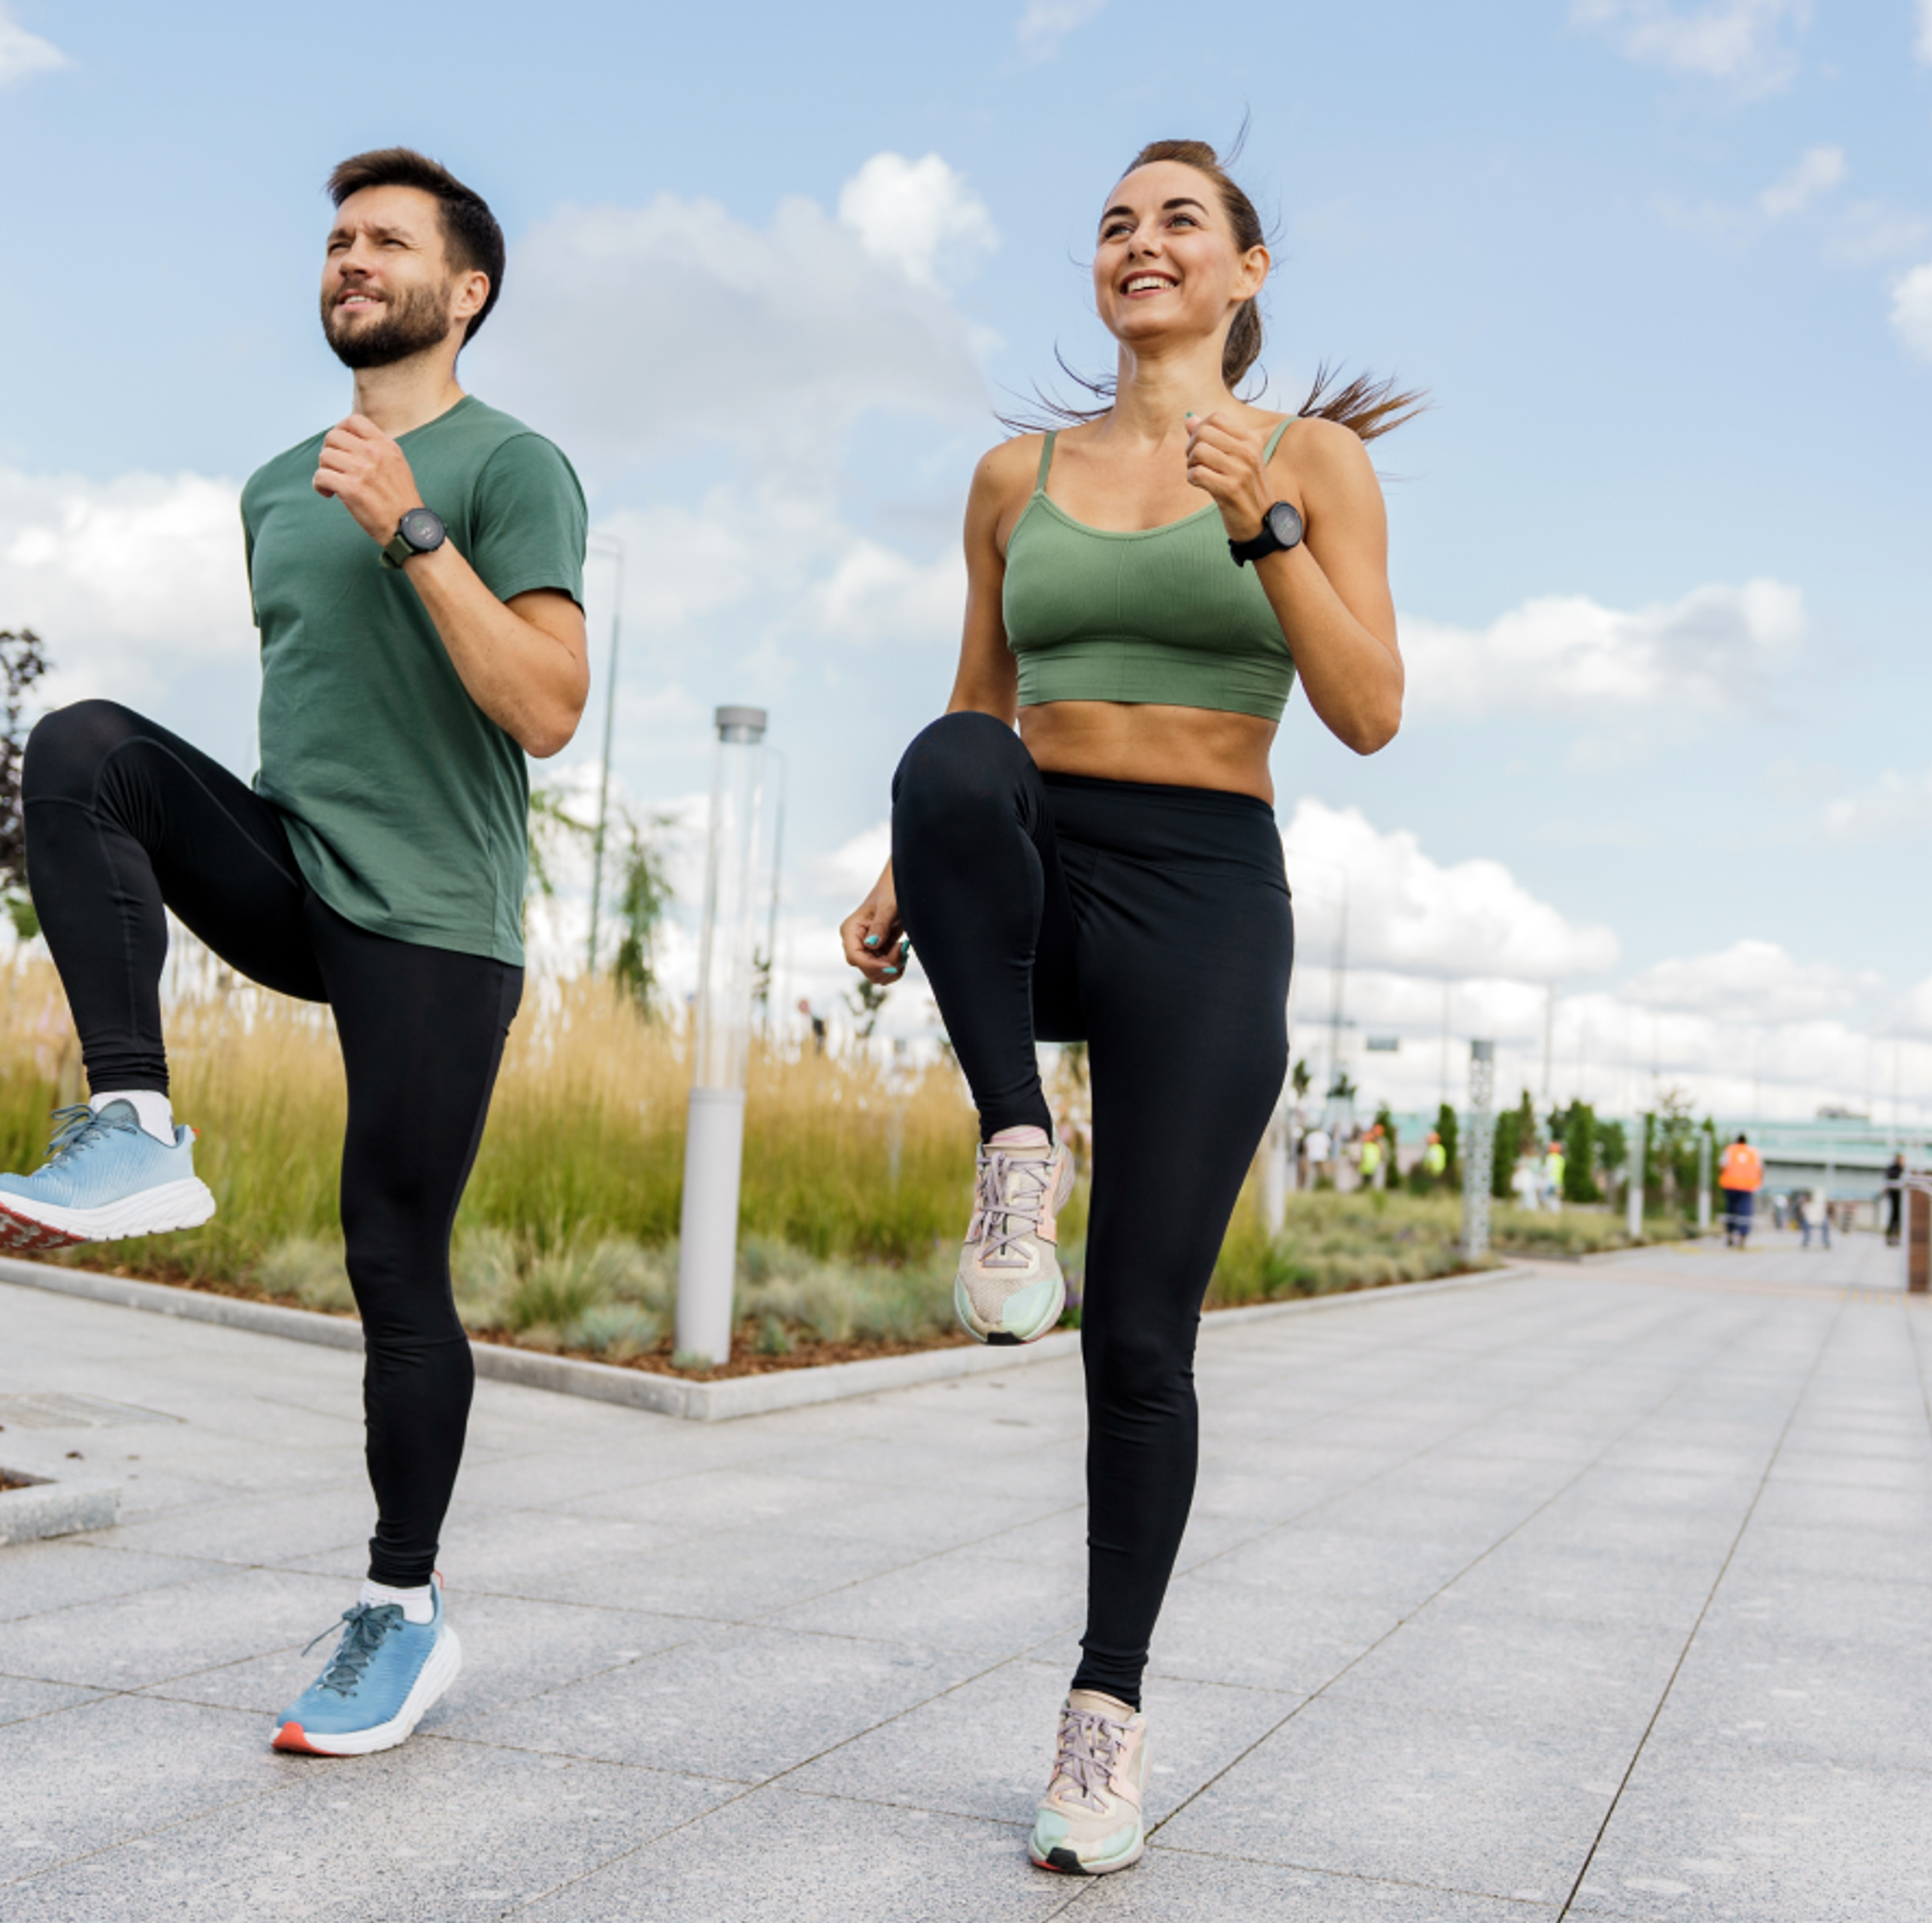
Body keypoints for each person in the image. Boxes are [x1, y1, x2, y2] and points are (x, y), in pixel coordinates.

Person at [0, 149, 589, 1758]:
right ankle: (134, 1122)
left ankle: (402, 1610)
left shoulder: (516, 467)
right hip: (299, 872)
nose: (349, 259)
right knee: (85, 744)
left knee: (391, 1250)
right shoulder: (269, 485)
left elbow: (547, 707)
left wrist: (411, 530)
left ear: (470, 290)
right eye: (335, 240)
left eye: (387, 240)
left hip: (436, 919)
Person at [839, 138, 1415, 1876]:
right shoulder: (1011, 475)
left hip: (1207, 894)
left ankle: (1102, 1721)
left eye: (1178, 222)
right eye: (1112, 222)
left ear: (1245, 273)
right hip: (1038, 857)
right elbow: (971, 709)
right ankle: (1016, 1147)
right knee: (942, 760)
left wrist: (1268, 520)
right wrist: (903, 871)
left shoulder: (1301, 456)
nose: (1138, 243)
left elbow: (1370, 708)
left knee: (1139, 1342)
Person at [1719, 1133, 1763, 1248]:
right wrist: (1759, 1183)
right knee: (1745, 1212)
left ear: (1736, 1141)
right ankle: (1743, 1236)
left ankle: (1730, 1234)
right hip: (1747, 1187)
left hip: (1731, 1185)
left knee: (1731, 1211)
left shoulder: (1730, 1150)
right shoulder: (1753, 1152)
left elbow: (1722, 1166)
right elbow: (1760, 1169)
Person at [1883, 1151, 1906, 1246]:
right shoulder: (1894, 1169)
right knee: (1894, 1216)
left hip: (1900, 1196)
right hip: (1894, 1196)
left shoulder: (1903, 1169)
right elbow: (1890, 1179)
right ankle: (1891, 1235)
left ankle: (1896, 1235)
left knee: (1898, 1216)